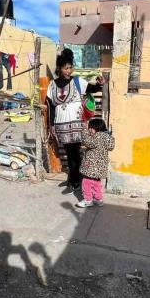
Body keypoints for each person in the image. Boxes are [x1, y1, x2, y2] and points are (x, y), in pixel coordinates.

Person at [46, 49, 105, 190]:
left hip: (77, 122)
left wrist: (99, 84)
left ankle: (74, 180)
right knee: (68, 152)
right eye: (66, 68)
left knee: (76, 152)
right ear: (60, 68)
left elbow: (92, 88)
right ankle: (74, 179)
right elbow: (50, 106)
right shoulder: (52, 85)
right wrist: (51, 125)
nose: (69, 70)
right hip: (61, 124)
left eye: (70, 67)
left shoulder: (77, 81)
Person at [76, 118, 115, 208]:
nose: (89, 130)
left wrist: (84, 131)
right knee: (97, 182)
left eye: (90, 128)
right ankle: (98, 199)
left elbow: (87, 142)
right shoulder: (106, 137)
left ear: (96, 128)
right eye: (88, 128)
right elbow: (110, 147)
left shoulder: (97, 136)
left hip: (92, 166)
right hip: (100, 167)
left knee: (86, 182)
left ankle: (88, 200)